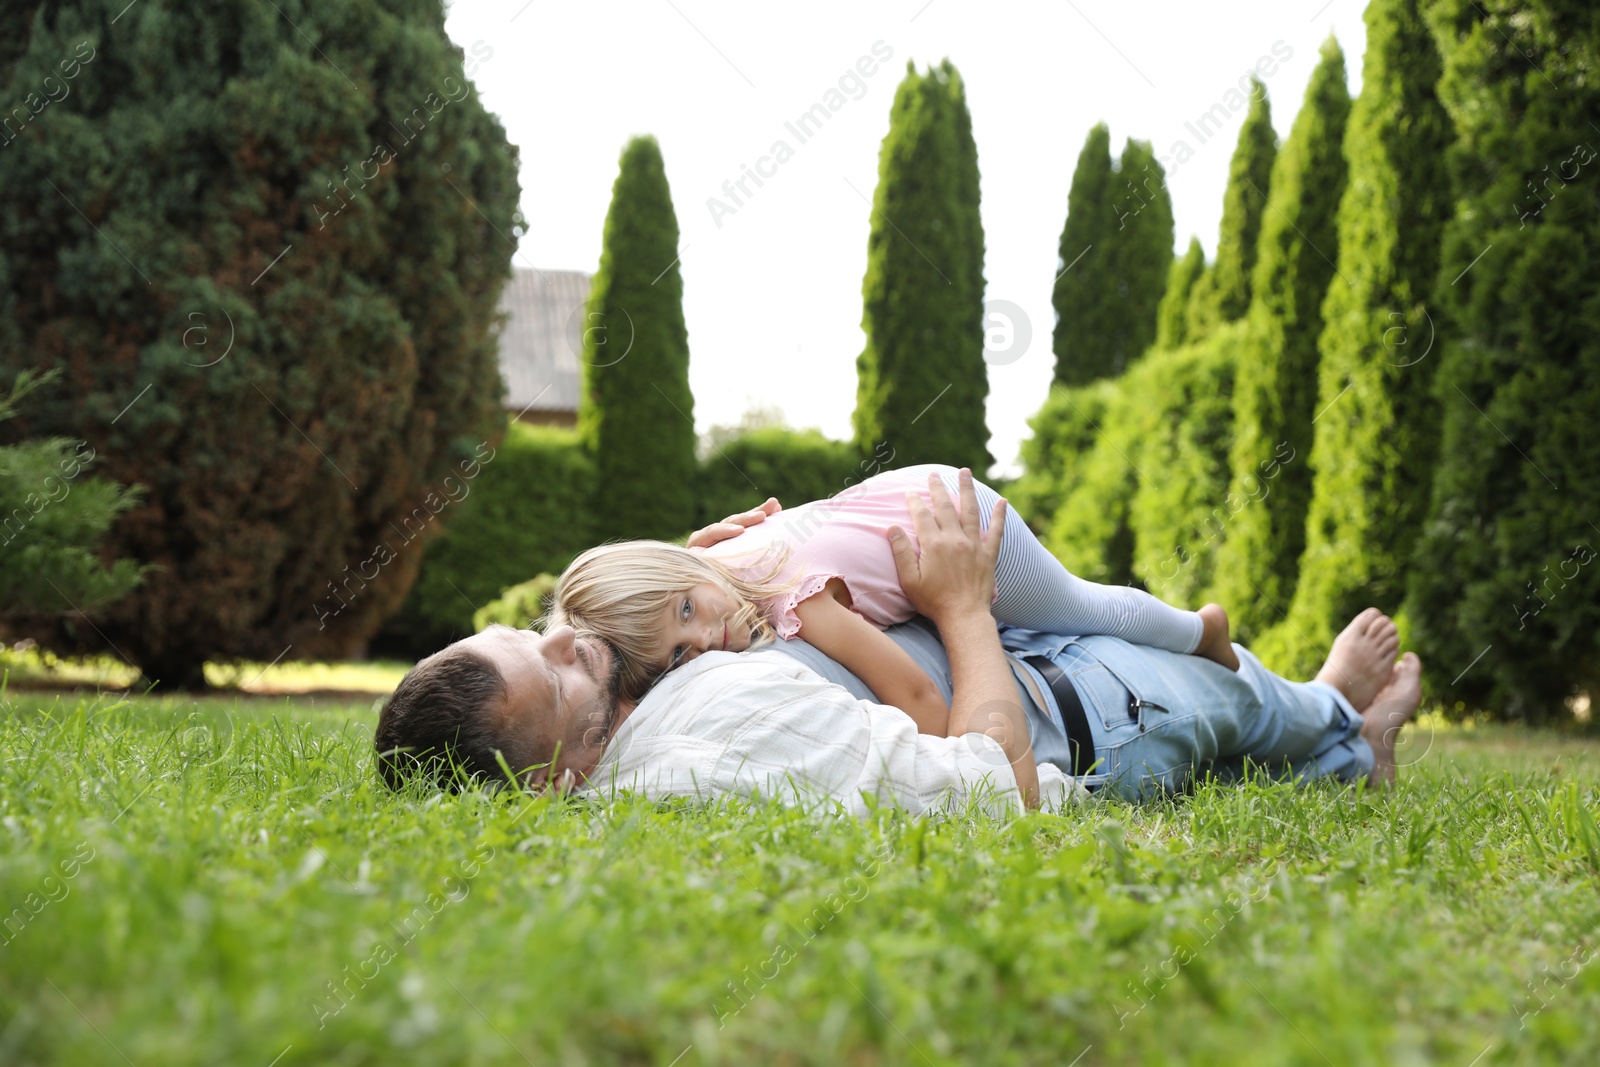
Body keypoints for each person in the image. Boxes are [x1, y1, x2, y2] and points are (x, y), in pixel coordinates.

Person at [374, 471, 1422, 814]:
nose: (566, 638)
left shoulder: (633, 674)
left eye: (534, 631)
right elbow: (994, 789)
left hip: (1042, 657)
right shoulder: (715, 739)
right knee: (1243, 705)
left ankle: (1334, 717)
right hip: (1089, 709)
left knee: (1252, 699)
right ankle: (1339, 721)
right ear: (558, 774)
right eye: (550, 665)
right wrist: (962, 604)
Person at [546, 463, 1239, 738]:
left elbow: (921, 701)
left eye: (686, 614)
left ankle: (1198, 629)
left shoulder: (796, 603)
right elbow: (678, 585)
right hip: (901, 504)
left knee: (1081, 608)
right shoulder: (710, 562)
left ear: (679, 566)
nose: (703, 645)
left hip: (951, 520)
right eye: (675, 655)